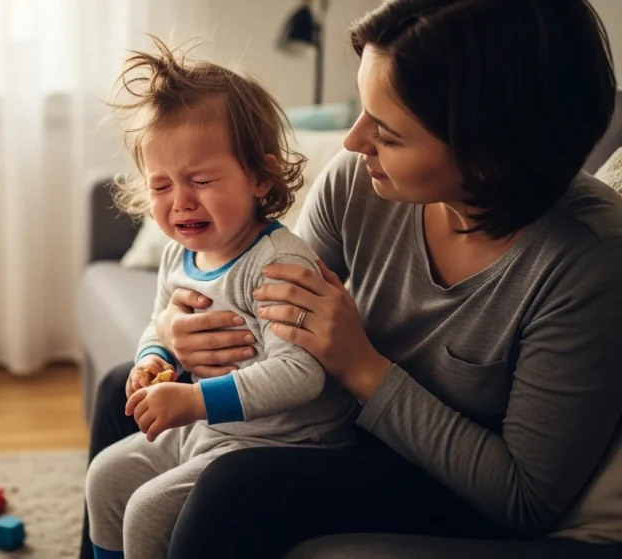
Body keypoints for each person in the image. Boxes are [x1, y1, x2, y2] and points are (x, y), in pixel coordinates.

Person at [79, 0, 622, 558]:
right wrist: (174, 331)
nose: (353, 140)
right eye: (363, 111)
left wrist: (361, 366)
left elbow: (525, 498)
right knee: (120, 393)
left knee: (233, 489)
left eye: (386, 132)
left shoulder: (586, 262)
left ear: (489, 150)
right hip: (340, 414)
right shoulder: (360, 182)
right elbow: (266, 299)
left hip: (438, 473)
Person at [84, 37, 360, 559]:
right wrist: (152, 358)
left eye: (202, 180)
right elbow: (157, 321)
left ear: (260, 176)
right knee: (107, 477)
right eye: (161, 186)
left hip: (283, 444)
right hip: (211, 428)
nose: (180, 202)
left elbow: (301, 373)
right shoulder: (178, 253)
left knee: (146, 510)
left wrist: (193, 399)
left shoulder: (278, 264)